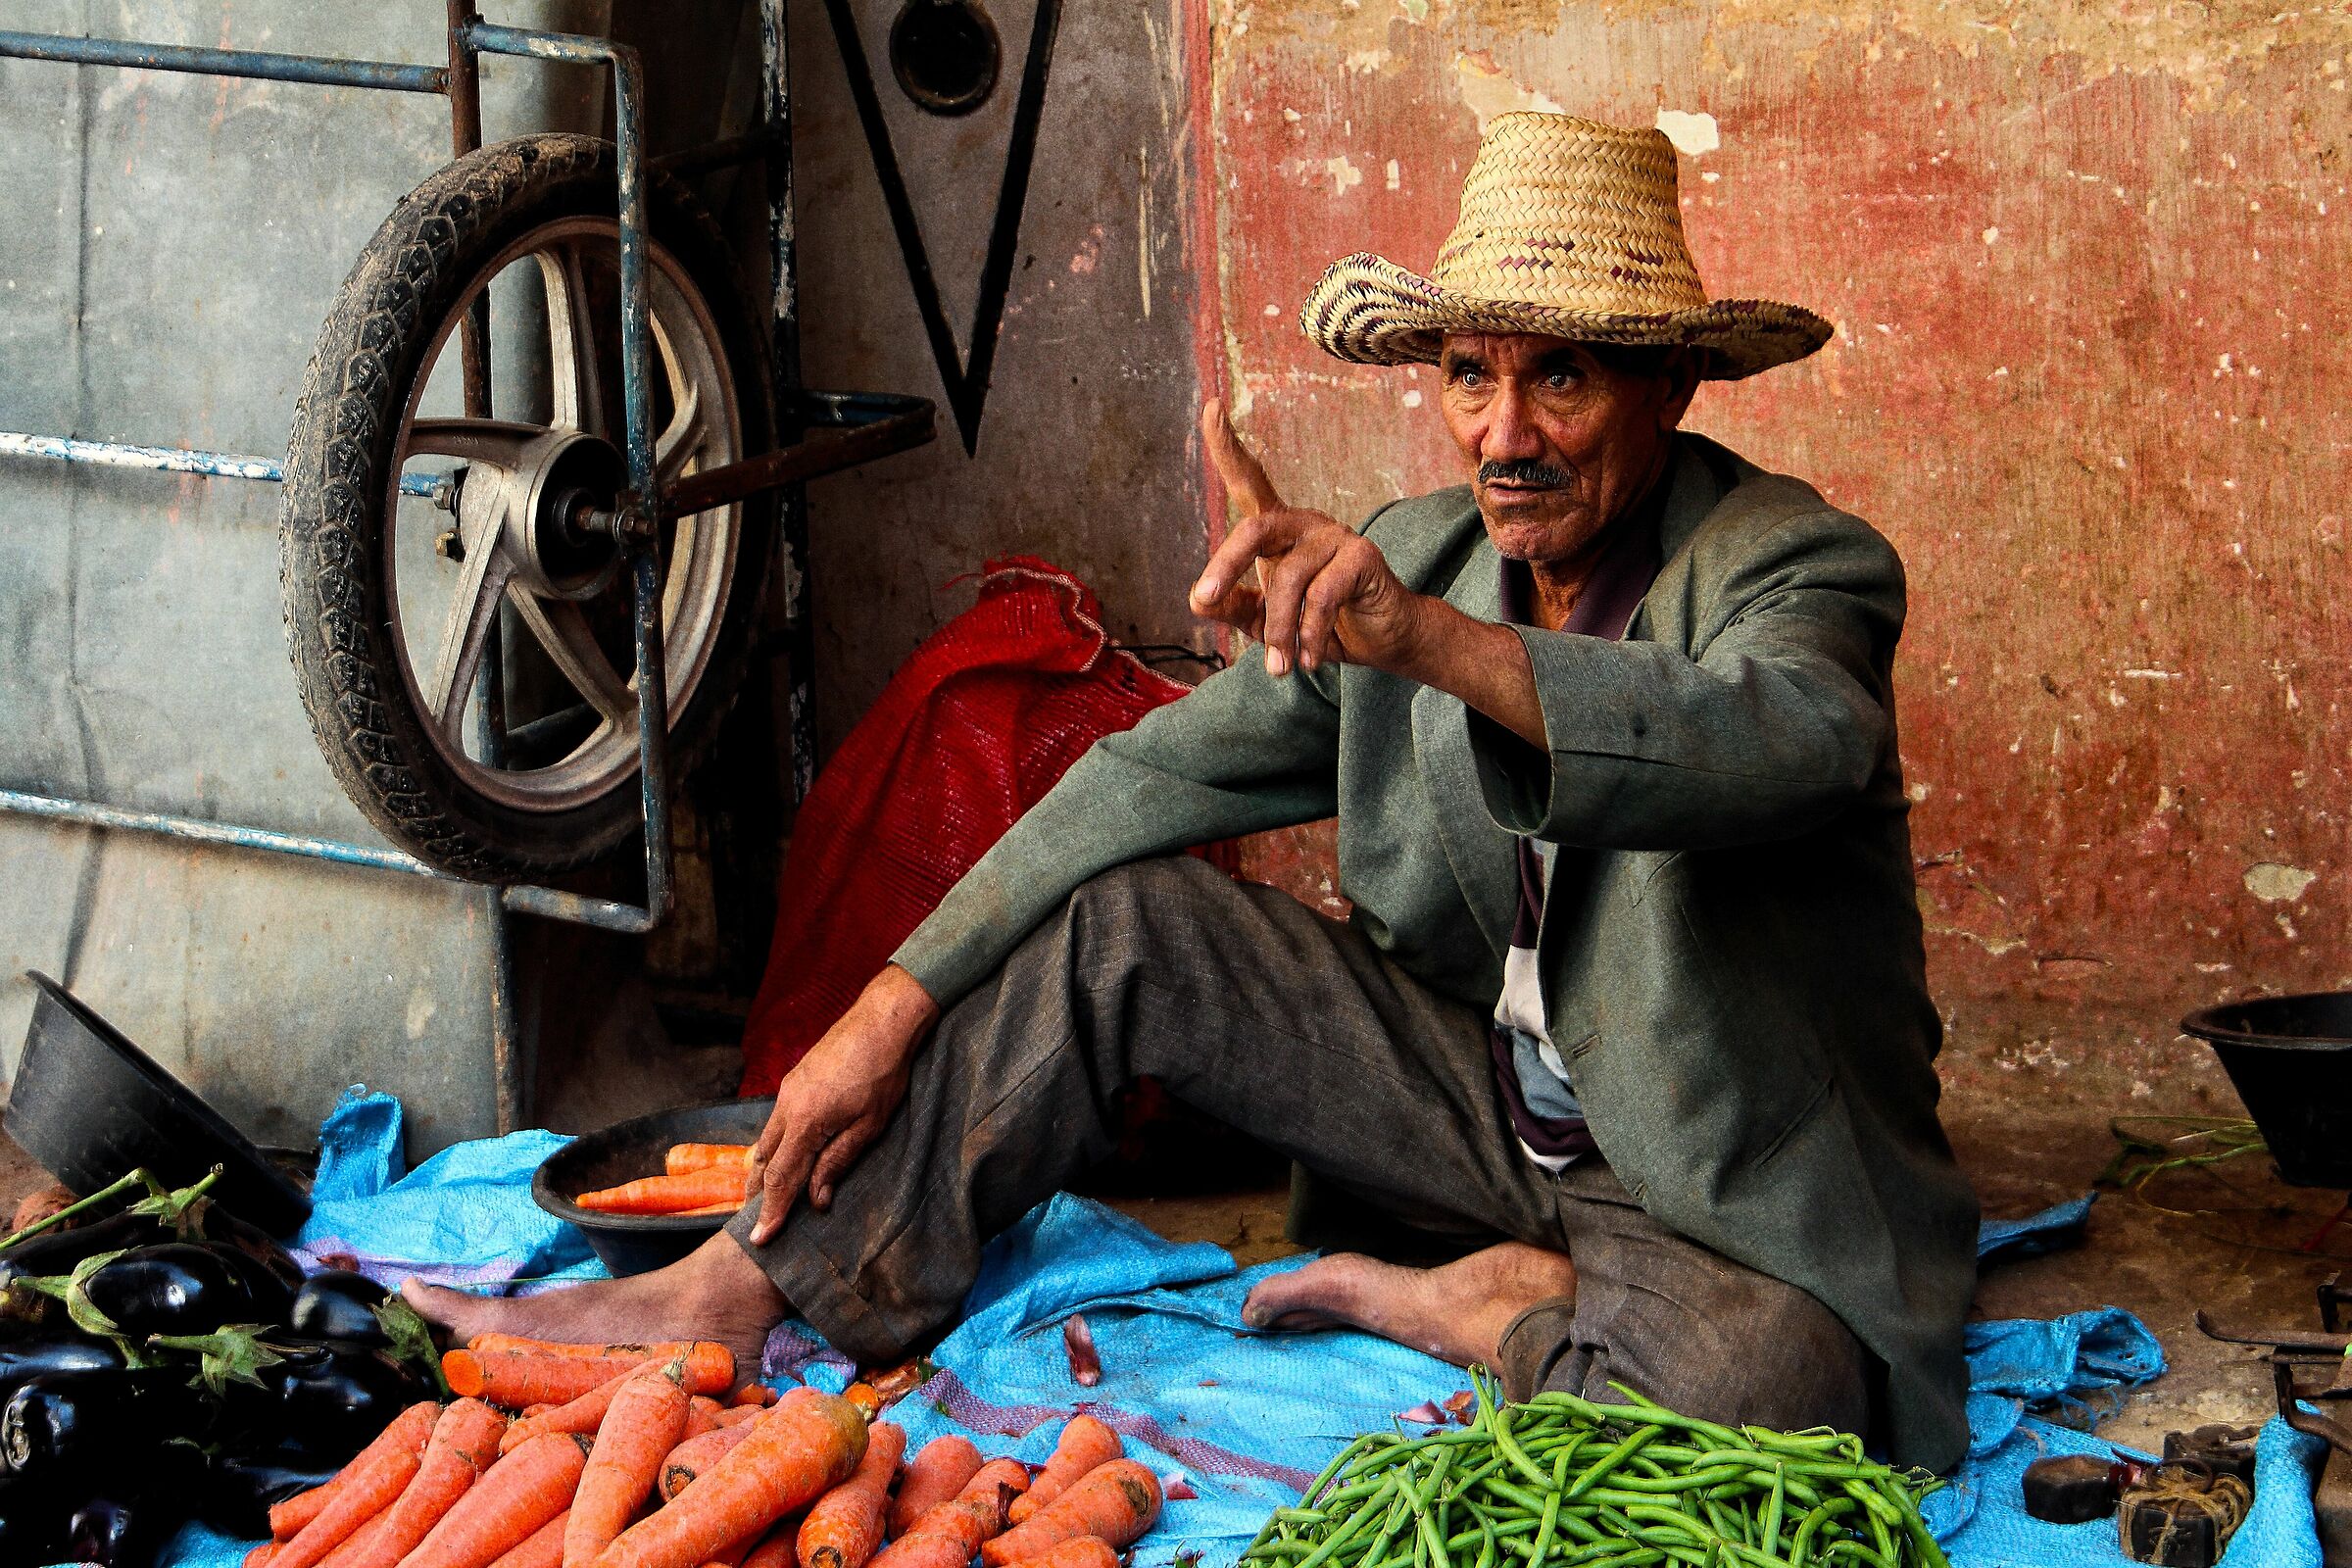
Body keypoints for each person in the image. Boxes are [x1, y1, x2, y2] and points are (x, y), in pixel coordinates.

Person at [412, 112, 1979, 1472]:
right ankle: (742, 1292)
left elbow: (1777, 739)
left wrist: (1423, 646)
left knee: (1780, 1398)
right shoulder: (1421, 555)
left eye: (1560, 380)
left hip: (1722, 1182)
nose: (1505, 438)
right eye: (1467, 375)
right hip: (1487, 1115)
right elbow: (1146, 776)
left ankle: (1483, 1310)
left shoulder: (1790, 564)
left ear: (1669, 391)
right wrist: (888, 1009)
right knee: (1138, 921)